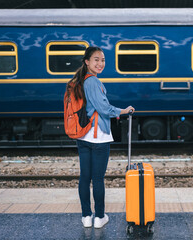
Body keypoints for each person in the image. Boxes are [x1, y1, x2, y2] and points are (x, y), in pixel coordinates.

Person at [67, 46, 135, 228]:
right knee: (97, 179)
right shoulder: (93, 82)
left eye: (103, 60)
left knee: (84, 178)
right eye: (96, 59)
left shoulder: (81, 81)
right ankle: (99, 217)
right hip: (98, 138)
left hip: (83, 136)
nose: (100, 63)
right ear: (87, 62)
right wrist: (124, 110)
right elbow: (104, 109)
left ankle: (86, 217)